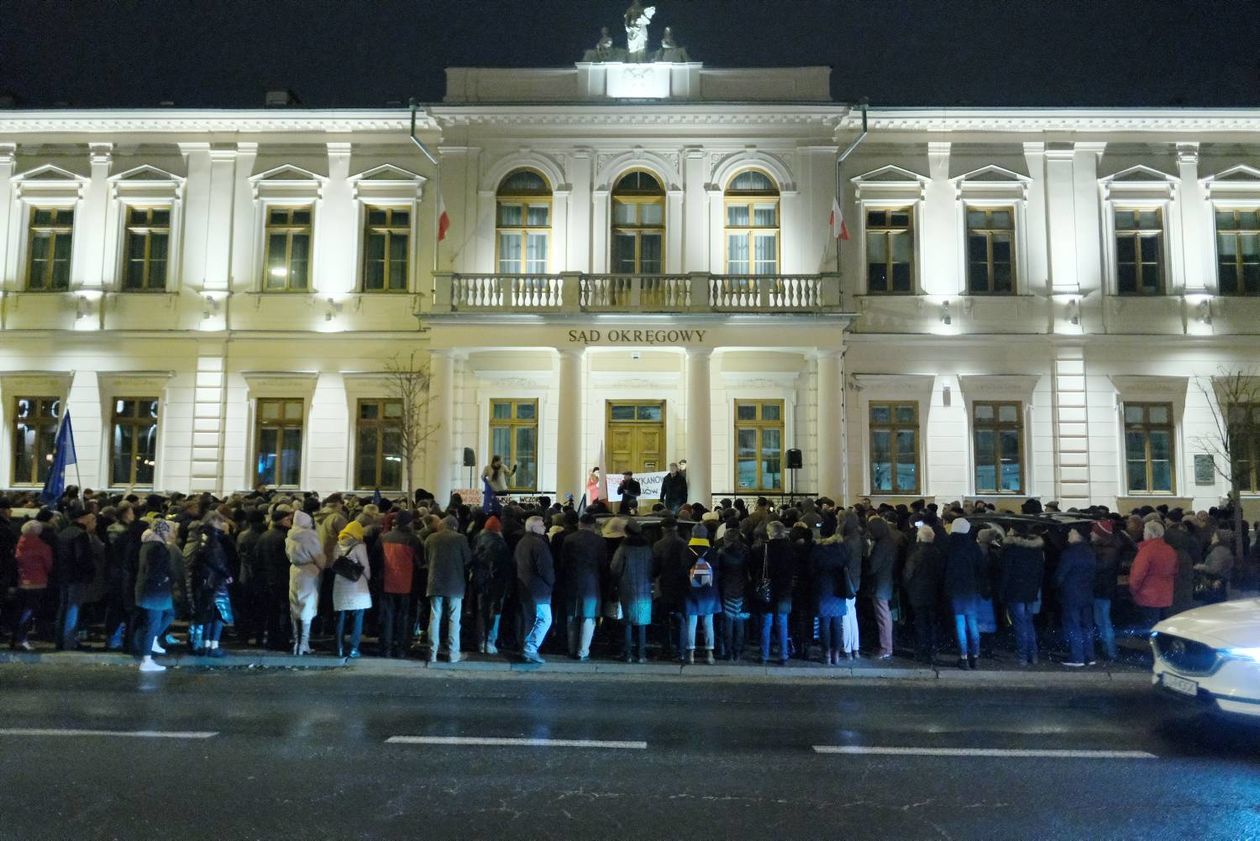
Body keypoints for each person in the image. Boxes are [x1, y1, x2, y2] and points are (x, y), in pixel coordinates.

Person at [425, 515, 471, 663]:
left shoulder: (431, 538)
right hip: (455, 584)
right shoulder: (460, 538)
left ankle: (432, 653)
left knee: (434, 617)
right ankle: (453, 653)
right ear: (455, 526)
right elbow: (468, 559)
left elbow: (426, 559)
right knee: (454, 619)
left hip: (434, 582)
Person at [561, 513, 605, 661]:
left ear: (580, 524)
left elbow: (563, 562)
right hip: (591, 583)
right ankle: (583, 651)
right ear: (593, 525)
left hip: (571, 581)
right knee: (588, 617)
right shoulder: (599, 541)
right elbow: (603, 565)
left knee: (572, 616)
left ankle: (571, 648)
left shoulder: (569, 539)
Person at [134, 519, 176, 672]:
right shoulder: (158, 548)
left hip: (149, 589)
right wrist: (164, 578)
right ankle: (146, 658)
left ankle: (151, 641)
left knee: (167, 615)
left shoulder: (147, 545)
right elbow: (155, 569)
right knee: (153, 623)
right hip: (155, 591)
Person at [55, 504, 98, 651]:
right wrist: (90, 572)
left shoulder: (64, 532)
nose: (94, 523)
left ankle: (60, 640)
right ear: (84, 519)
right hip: (77, 577)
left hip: (63, 576)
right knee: (73, 609)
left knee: (63, 608)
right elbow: (83, 558)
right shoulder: (80, 534)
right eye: (92, 520)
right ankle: (69, 642)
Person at [380, 510, 423, 658]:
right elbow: (419, 562)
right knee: (404, 617)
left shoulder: (384, 538)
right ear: (409, 522)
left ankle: (386, 649)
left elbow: (376, 559)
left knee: (388, 616)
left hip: (387, 582)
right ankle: (402, 649)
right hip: (407, 583)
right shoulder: (413, 540)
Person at [1000, 525, 1045, 666]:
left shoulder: (1011, 550)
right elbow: (1040, 573)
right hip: (1031, 592)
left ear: (1014, 531)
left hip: (1015, 591)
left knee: (1020, 625)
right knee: (1028, 623)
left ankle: (1022, 656)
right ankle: (1034, 655)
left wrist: (1002, 591)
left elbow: (1005, 573)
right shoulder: (1036, 550)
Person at [193, 512, 236, 657]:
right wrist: (227, 574)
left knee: (208, 614)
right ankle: (213, 645)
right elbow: (217, 561)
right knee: (218, 615)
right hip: (215, 581)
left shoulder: (201, 536)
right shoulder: (213, 539)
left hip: (204, 580)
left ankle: (205, 644)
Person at [611, 518, 654, 663]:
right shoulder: (647, 548)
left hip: (627, 587)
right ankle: (642, 654)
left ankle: (628, 653)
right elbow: (652, 567)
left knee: (628, 621)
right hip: (645, 587)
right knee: (642, 621)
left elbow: (615, 568)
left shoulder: (623, 547)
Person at [515, 515, 555, 664]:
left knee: (530, 618)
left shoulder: (522, 543)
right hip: (539, 589)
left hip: (525, 586)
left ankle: (525, 647)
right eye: (542, 525)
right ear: (534, 527)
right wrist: (551, 583)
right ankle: (530, 648)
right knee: (544, 619)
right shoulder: (539, 544)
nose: (545, 527)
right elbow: (546, 568)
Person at [945, 517, 983, 670]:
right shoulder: (973, 546)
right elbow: (981, 569)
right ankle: (976, 656)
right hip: (971, 590)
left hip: (955, 590)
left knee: (960, 624)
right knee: (973, 623)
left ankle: (963, 657)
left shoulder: (949, 546)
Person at [286, 509, 325, 656]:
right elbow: (319, 557)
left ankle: (297, 642)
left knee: (295, 605)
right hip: (309, 572)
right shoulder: (310, 536)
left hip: (294, 570)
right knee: (307, 606)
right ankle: (303, 644)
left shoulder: (290, 536)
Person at [1056, 527, 1097, 668]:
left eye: (1071, 532)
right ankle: (1089, 656)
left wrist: (1054, 584)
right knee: (1087, 625)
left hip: (1071, 594)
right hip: (1087, 593)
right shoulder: (1090, 552)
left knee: (1073, 625)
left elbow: (1060, 575)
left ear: (1078, 535)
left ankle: (1077, 657)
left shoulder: (1070, 553)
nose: (1068, 534)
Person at [471, 515, 511, 655]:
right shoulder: (500, 543)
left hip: (480, 581)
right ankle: (490, 642)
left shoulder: (477, 539)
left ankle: (481, 641)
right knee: (495, 612)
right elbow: (505, 565)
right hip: (497, 582)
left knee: (481, 611)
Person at [902, 525, 943, 664]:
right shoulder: (938, 553)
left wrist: (908, 588)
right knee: (932, 623)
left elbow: (908, 574)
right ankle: (932, 650)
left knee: (921, 623)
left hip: (918, 594)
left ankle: (921, 651)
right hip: (934, 593)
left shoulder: (916, 554)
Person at [332, 520, 372, 658]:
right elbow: (365, 566)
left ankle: (339, 647)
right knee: (358, 616)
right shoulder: (359, 546)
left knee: (340, 617)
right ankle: (354, 648)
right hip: (356, 584)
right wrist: (368, 577)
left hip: (340, 584)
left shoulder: (337, 544)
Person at [757, 520, 795, 665]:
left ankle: (764, 655)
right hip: (784, 590)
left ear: (769, 533)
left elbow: (757, 569)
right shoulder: (790, 549)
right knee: (782, 622)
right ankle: (783, 655)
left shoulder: (763, 549)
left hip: (768, 590)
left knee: (766, 623)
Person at [10, 520, 53, 651]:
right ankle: (22, 639)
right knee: (29, 611)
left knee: (19, 611)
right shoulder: (42, 547)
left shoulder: (19, 544)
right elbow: (48, 565)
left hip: (21, 581)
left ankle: (15, 638)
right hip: (37, 582)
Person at [810, 529, 849, 665]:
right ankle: (836, 654)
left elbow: (811, 569)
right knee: (837, 623)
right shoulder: (841, 550)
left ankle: (826, 653)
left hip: (822, 589)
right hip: (838, 589)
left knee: (824, 623)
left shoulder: (818, 550)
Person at [1129, 520, 1178, 628]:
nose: (1143, 535)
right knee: (1162, 628)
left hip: (1148, 596)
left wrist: (1132, 590)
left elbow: (1138, 575)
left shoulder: (1146, 551)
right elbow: (1175, 571)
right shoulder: (1170, 550)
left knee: (1149, 628)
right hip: (1166, 595)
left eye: (1144, 533)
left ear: (1150, 534)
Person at [682, 532, 720, 664]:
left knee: (691, 622)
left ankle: (690, 654)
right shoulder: (712, 552)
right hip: (709, 592)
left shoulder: (686, 551)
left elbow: (681, 571)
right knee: (708, 623)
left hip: (691, 591)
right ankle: (710, 654)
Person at [1090, 519, 1123, 661]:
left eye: (1094, 531)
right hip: (1102, 590)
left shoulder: (1109, 551)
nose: (1091, 533)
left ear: (1100, 534)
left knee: (1103, 621)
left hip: (1102, 591)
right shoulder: (1107, 548)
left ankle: (1111, 651)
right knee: (1101, 621)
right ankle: (1107, 649)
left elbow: (1098, 568)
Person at [715, 529, 749, 662]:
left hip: (726, 590)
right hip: (742, 589)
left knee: (727, 623)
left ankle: (728, 652)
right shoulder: (745, 551)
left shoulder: (722, 552)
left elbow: (719, 571)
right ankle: (738, 652)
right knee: (740, 622)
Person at [864, 517, 897, 659]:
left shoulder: (881, 545)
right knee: (885, 615)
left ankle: (886, 647)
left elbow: (872, 566)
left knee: (883, 616)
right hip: (886, 582)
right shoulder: (889, 541)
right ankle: (886, 646)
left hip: (880, 584)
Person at [838, 512, 863, 660]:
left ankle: (847, 648)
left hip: (847, 581)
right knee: (852, 615)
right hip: (855, 580)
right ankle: (855, 648)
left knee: (845, 617)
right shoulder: (858, 538)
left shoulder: (846, 541)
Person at [1194, 529, 1235, 605]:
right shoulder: (1224, 549)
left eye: (1214, 536)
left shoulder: (1218, 551)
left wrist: (1201, 567)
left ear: (1219, 539)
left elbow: (1214, 568)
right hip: (1220, 582)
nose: (1212, 538)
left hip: (1215, 583)